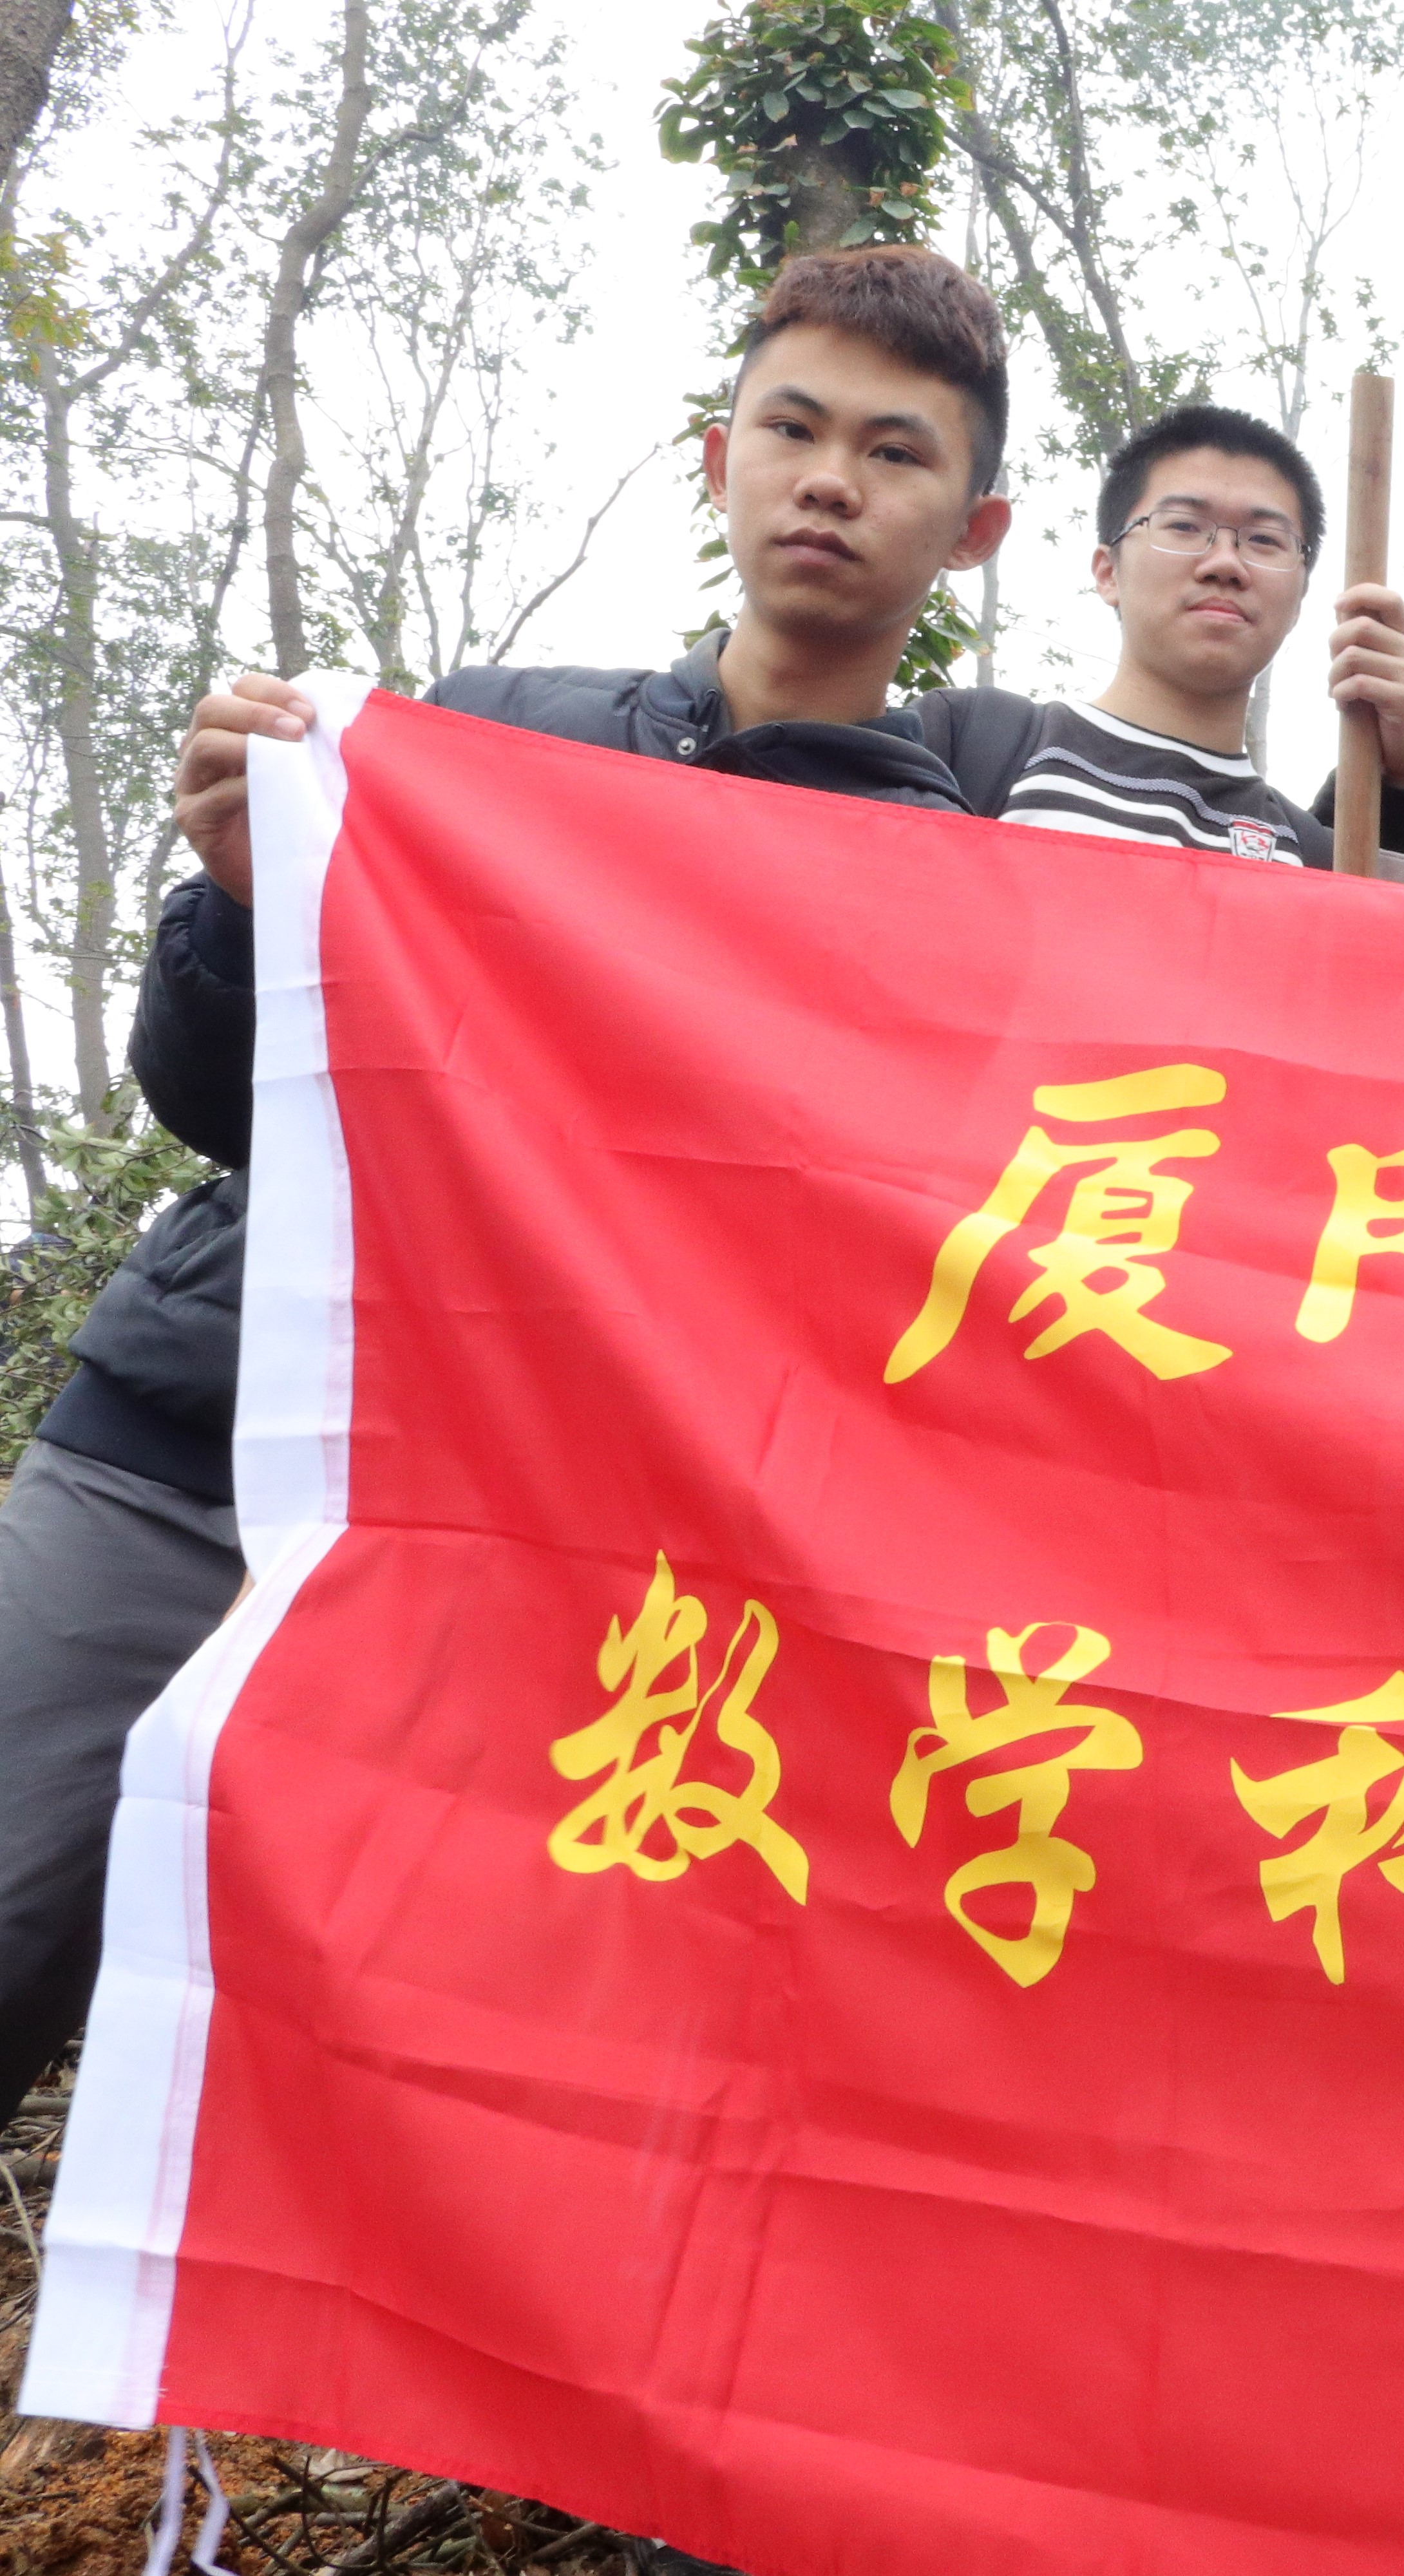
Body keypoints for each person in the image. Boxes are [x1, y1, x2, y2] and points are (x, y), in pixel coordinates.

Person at [18, 245, 1017, 2140]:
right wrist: (238, 897)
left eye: (894, 453)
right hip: (187, 1443)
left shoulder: (965, 894)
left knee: (406, 2082)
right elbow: (218, 1098)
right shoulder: (478, 738)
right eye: (793, 428)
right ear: (717, 457)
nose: (829, 481)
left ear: (973, 532)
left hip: (538, 1559)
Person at [912, 402, 1404, 873]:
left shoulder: (1315, 857)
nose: (1225, 564)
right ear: (1108, 572)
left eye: (1265, 540)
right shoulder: (967, 742)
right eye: (1185, 527)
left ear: (1299, 600)